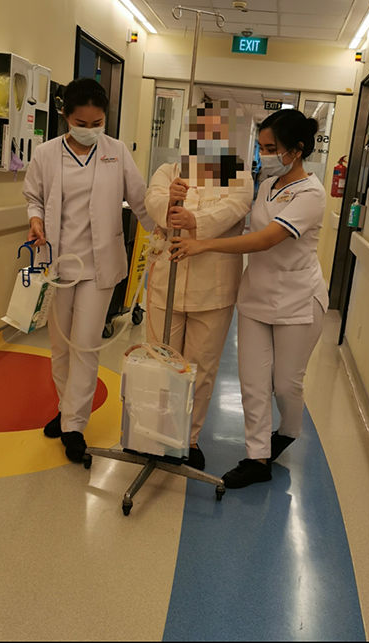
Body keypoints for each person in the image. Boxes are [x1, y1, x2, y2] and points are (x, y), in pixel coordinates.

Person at [169, 109, 327, 488]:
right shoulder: (268, 186)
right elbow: (246, 225)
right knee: (253, 383)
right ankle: (257, 458)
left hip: (298, 301)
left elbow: (266, 238)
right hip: (255, 297)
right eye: (261, 146)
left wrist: (203, 244)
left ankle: (287, 430)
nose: (264, 154)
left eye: (272, 148)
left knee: (286, 384)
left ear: (297, 150)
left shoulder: (312, 194)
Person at [23, 78, 153, 463]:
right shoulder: (46, 154)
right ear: (65, 115)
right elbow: (33, 195)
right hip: (60, 263)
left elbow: (141, 199)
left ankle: (75, 426)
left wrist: (163, 229)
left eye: (99, 123)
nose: (92, 130)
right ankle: (66, 411)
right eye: (84, 122)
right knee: (60, 346)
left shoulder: (115, 151)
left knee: (84, 344)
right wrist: (34, 219)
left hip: (99, 267)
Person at [144, 101, 254, 470]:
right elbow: (153, 199)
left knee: (200, 368)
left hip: (214, 291)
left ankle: (188, 439)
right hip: (166, 286)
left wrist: (193, 219)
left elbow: (232, 210)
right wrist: (170, 205)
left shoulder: (238, 176)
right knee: (161, 362)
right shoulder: (170, 170)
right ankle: (155, 433)